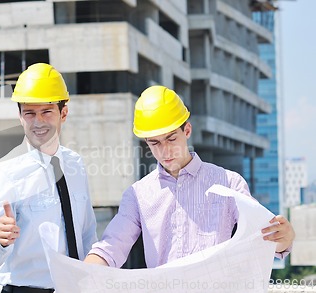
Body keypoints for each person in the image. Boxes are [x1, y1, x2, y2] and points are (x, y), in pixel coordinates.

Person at [84, 85, 295, 268]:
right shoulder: (137, 195)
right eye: (154, 143)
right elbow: (111, 247)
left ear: (187, 130)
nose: (165, 151)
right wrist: (82, 274)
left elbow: (263, 237)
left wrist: (284, 239)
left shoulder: (230, 183)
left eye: (171, 138)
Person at [0, 63, 98, 293]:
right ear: (20, 117)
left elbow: (88, 233)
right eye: (29, 113)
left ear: (64, 113)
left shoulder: (75, 165)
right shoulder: (3, 175)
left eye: (46, 112)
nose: (38, 122)